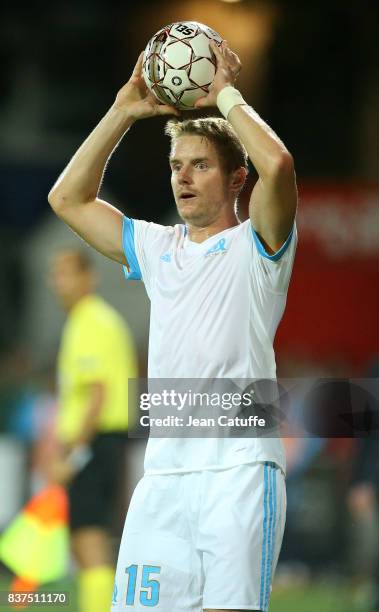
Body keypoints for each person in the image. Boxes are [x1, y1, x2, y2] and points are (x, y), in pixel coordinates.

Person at [48, 39, 297, 612]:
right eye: (175, 166)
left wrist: (225, 94)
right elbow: (68, 198)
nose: (182, 178)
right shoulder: (158, 248)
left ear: (237, 179)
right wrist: (122, 110)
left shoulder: (258, 245)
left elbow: (278, 164)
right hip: (163, 479)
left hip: (239, 471)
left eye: (201, 165)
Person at [48, 249, 138, 612]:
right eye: (55, 274)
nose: (58, 282)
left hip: (97, 442)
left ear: (89, 278)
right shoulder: (93, 320)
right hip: (102, 442)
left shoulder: (91, 321)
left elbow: (98, 395)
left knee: (88, 538)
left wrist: (73, 455)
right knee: (88, 536)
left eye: (67, 273)